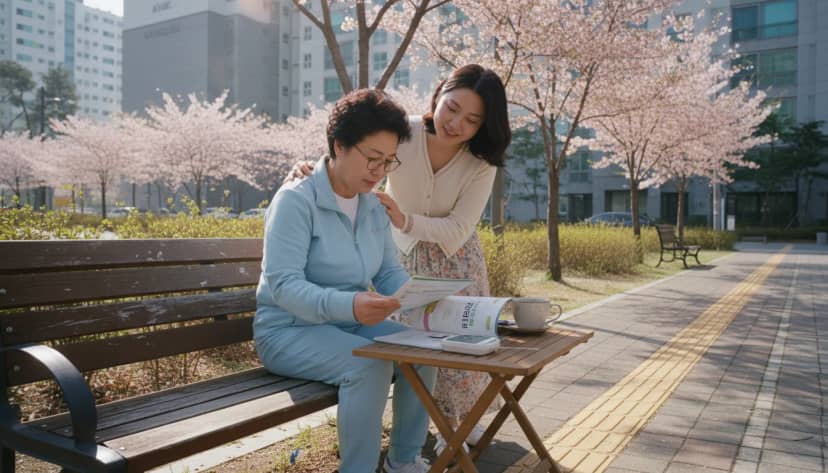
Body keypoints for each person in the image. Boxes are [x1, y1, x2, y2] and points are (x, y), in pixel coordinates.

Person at [289, 64, 512, 452]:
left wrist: (406, 219)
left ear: (483, 125)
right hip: (400, 260)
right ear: (439, 94)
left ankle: (458, 426)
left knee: (459, 344)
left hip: (454, 259)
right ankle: (426, 426)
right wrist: (311, 167)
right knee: (417, 346)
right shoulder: (403, 132)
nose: (456, 123)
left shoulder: (480, 164)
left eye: (472, 120)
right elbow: (355, 150)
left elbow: (459, 227)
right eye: (452, 108)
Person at [254, 89, 437, 473]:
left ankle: (403, 461)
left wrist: (426, 298)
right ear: (339, 145)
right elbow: (284, 286)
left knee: (424, 352)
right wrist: (351, 305)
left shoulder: (371, 203)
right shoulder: (296, 201)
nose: (380, 171)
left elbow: (387, 271)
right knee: (368, 366)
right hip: (287, 331)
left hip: (348, 324)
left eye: (389, 161)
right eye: (372, 158)